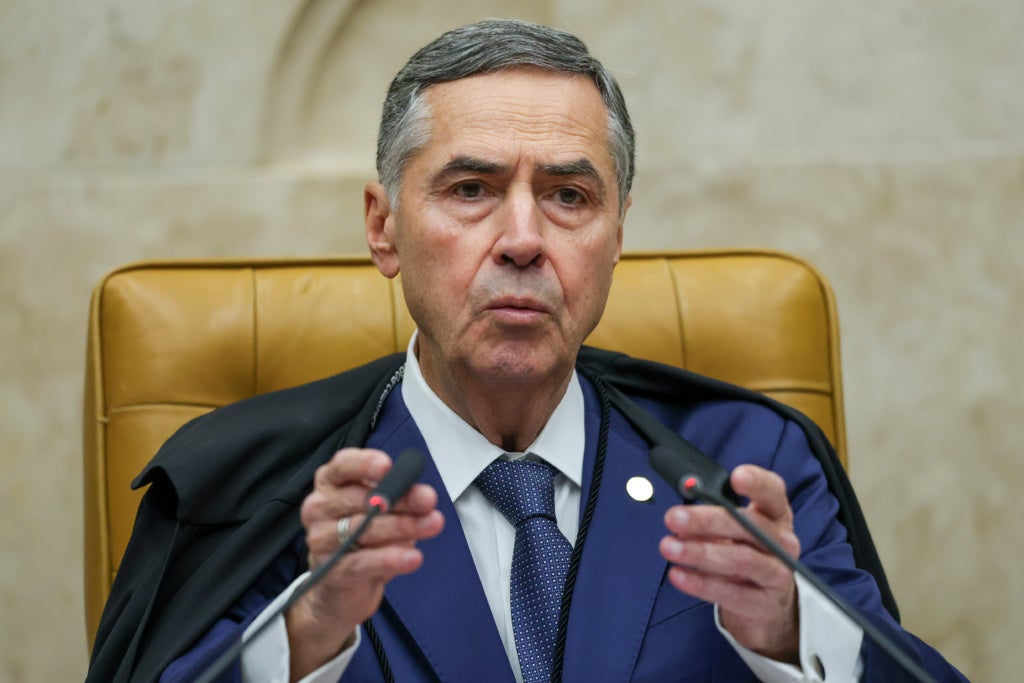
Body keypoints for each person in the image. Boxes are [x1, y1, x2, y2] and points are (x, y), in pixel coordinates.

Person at [86, 19, 968, 683]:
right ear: (383, 228)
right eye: (471, 188)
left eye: (569, 196)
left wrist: (791, 629)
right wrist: (307, 631)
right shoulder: (260, 489)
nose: (522, 240)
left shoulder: (743, 464)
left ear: (618, 235)